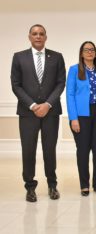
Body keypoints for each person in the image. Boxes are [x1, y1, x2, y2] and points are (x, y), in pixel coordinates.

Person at [10, 24, 66, 202]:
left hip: (51, 112)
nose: (38, 36)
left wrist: (48, 104)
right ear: (29, 37)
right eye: (34, 34)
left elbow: (60, 83)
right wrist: (34, 105)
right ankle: (30, 187)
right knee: (28, 150)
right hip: (28, 113)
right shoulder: (19, 57)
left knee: (49, 150)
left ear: (46, 37)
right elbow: (16, 85)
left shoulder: (57, 57)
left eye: (41, 34)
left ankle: (52, 185)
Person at [66, 41, 96, 196]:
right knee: (83, 151)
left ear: (95, 53)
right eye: (86, 50)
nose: (90, 52)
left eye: (92, 50)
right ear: (81, 53)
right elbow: (70, 95)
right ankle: (84, 184)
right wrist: (73, 118)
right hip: (81, 115)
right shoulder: (74, 70)